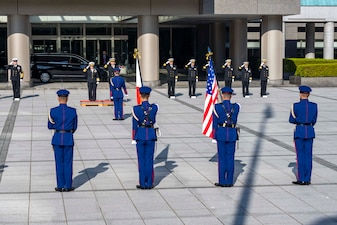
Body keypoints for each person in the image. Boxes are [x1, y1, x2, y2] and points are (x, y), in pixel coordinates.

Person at [48, 89, 78, 192]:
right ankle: (68, 185)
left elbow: (50, 126)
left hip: (57, 138)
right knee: (68, 163)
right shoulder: (73, 111)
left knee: (59, 163)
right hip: (68, 138)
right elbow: (75, 126)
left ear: (58, 98)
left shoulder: (53, 111)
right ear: (67, 98)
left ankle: (60, 185)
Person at [289, 85, 318, 185]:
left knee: (300, 156)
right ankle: (308, 178)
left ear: (300, 94)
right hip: (309, 131)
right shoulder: (314, 106)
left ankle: (301, 178)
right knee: (308, 156)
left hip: (300, 131)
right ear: (308, 94)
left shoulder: (295, 106)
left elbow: (291, 120)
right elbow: (314, 120)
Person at [212, 87, 240, 187]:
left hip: (221, 133)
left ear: (222, 95)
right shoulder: (236, 107)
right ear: (231, 96)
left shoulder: (217, 107)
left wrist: (214, 136)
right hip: (232, 133)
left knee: (222, 158)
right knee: (230, 158)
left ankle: (222, 181)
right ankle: (229, 181)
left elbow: (215, 123)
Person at [131, 86, 159, 189]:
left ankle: (143, 183)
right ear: (149, 95)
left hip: (141, 135)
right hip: (151, 134)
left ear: (140, 95)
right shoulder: (154, 108)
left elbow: (134, 125)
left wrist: (134, 138)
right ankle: (149, 183)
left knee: (141, 160)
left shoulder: (136, 109)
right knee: (149, 160)